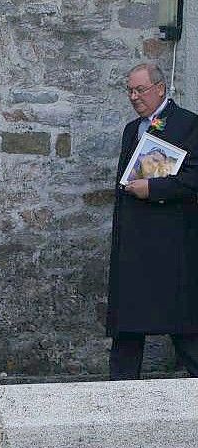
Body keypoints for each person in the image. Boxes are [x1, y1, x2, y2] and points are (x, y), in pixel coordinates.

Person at [108, 63, 198, 380]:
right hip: (133, 244)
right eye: (130, 90)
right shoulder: (132, 129)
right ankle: (118, 397)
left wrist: (153, 188)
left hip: (171, 243)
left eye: (140, 90)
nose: (134, 97)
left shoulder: (189, 124)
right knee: (128, 328)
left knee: (184, 327)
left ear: (160, 87)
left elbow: (193, 179)